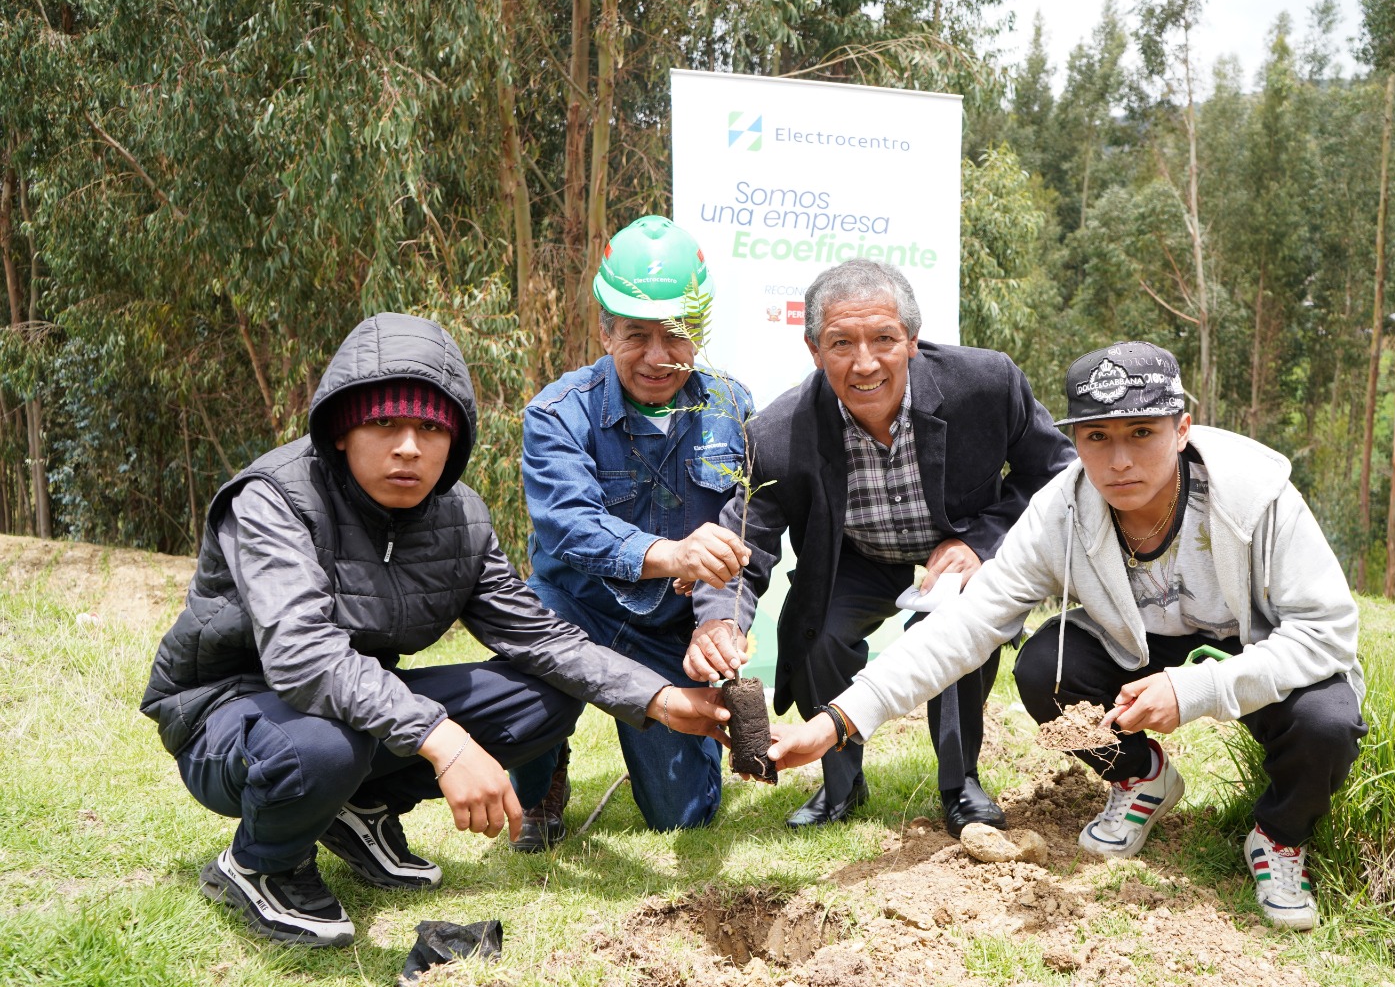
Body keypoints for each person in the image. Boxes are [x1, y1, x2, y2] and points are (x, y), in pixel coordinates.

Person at [142, 312, 731, 948]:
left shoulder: (460, 518)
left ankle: (359, 809)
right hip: (229, 711)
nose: (408, 447)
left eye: (430, 427)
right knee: (321, 747)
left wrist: (659, 699)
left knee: (545, 698)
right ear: (341, 430)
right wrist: (441, 740)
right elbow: (303, 658)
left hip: (356, 706)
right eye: (383, 423)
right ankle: (262, 864)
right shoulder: (272, 499)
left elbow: (542, 641)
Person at [768, 341, 1366, 930]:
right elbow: (968, 624)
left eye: (1141, 433)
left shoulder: (1256, 497)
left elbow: (1327, 632)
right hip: (1136, 644)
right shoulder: (1063, 509)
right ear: (1075, 442)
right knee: (1043, 672)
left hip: (1250, 646)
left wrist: (1194, 690)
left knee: (1328, 722)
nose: (1119, 461)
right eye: (1096, 437)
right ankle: (1140, 778)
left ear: (1182, 429)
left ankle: (1279, 836)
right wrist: (837, 722)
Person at [686, 259, 1074, 836]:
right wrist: (721, 619)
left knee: (953, 626)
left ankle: (960, 784)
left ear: (912, 341)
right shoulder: (776, 432)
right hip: (856, 555)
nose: (864, 363)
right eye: (841, 343)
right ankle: (840, 785)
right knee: (820, 633)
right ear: (814, 348)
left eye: (884, 339)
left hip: (956, 548)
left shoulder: (986, 384)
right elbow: (749, 540)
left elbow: (1056, 473)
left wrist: (979, 542)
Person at [508, 215, 752, 845]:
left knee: (683, 817)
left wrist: (716, 618)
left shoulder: (733, 406)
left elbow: (745, 529)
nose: (657, 357)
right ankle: (542, 775)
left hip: (669, 626)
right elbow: (568, 526)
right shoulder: (558, 412)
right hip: (573, 609)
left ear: (697, 331)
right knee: (526, 688)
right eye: (636, 336)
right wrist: (670, 554)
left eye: (675, 335)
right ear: (604, 330)